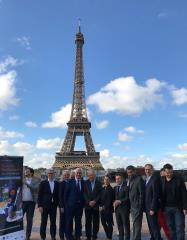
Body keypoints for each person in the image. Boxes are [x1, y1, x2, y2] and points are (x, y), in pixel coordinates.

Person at [161, 163, 187, 240]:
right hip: (166, 208)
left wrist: (185, 207)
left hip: (178, 208)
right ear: (164, 172)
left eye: (171, 172)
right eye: (167, 172)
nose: (169, 174)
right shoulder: (161, 180)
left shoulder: (179, 180)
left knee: (179, 227)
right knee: (170, 227)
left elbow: (184, 194)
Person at [37, 168, 59, 240]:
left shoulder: (57, 183)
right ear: (47, 174)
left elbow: (58, 195)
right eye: (49, 173)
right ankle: (43, 236)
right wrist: (39, 205)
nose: (50, 174)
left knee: (53, 222)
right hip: (44, 206)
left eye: (52, 173)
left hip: (53, 206)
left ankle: (53, 236)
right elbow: (39, 195)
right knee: (44, 222)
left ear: (54, 174)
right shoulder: (43, 183)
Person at [64, 168, 85, 240]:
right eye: (77, 173)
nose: (78, 174)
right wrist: (66, 205)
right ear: (75, 174)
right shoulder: (69, 182)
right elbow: (65, 195)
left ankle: (77, 236)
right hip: (70, 206)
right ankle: (69, 236)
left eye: (80, 173)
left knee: (78, 222)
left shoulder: (83, 182)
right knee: (69, 222)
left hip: (79, 206)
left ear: (81, 174)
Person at [126, 165, 145, 240]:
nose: (129, 174)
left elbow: (141, 194)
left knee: (136, 225)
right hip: (132, 206)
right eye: (128, 172)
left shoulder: (139, 179)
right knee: (134, 224)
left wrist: (140, 206)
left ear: (134, 171)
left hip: (137, 206)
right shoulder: (129, 179)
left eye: (131, 172)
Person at [144, 164, 162, 240]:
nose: (147, 171)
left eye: (149, 169)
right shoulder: (146, 179)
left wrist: (152, 208)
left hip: (152, 208)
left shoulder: (155, 179)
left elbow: (155, 195)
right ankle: (153, 238)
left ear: (152, 170)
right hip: (147, 207)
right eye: (146, 169)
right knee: (150, 226)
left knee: (154, 226)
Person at [84, 169, 102, 240]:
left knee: (96, 222)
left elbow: (100, 194)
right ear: (88, 175)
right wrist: (89, 202)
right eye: (90, 175)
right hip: (88, 206)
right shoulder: (85, 183)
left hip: (95, 205)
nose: (91, 176)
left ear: (95, 175)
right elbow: (84, 193)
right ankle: (88, 236)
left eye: (92, 175)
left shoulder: (99, 183)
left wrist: (95, 201)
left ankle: (94, 235)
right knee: (87, 222)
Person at [22, 167, 39, 240]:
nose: (26, 172)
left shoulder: (36, 180)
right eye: (25, 171)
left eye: (27, 171)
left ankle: (28, 236)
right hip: (21, 203)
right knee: (19, 219)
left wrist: (25, 183)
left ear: (31, 173)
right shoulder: (21, 179)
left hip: (31, 203)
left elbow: (35, 188)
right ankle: (18, 234)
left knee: (29, 220)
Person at [113, 174, 130, 240]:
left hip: (124, 209)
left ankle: (127, 238)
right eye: (116, 179)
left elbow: (127, 198)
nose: (117, 180)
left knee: (126, 225)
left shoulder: (126, 187)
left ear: (122, 179)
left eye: (119, 178)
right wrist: (113, 202)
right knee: (119, 225)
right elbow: (114, 198)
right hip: (117, 210)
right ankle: (121, 238)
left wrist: (120, 201)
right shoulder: (115, 188)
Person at [158, 168, 171, 240]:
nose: (162, 176)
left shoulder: (167, 182)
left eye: (163, 174)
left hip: (164, 207)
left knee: (165, 224)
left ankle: (169, 237)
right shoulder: (160, 182)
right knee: (160, 223)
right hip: (160, 207)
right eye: (161, 174)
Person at [99, 175, 114, 240]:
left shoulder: (111, 189)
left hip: (108, 209)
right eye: (105, 179)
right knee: (103, 223)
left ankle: (109, 237)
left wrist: (104, 207)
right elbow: (100, 199)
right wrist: (100, 206)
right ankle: (108, 234)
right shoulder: (102, 189)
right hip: (102, 209)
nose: (106, 180)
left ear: (109, 181)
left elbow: (110, 200)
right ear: (103, 180)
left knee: (109, 223)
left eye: (107, 179)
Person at [59, 170, 70, 240]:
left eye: (67, 175)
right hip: (63, 206)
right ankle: (61, 236)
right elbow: (60, 196)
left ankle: (67, 234)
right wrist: (61, 206)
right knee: (62, 221)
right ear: (63, 176)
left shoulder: (71, 182)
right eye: (65, 175)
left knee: (68, 221)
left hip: (69, 206)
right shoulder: (61, 184)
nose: (66, 176)